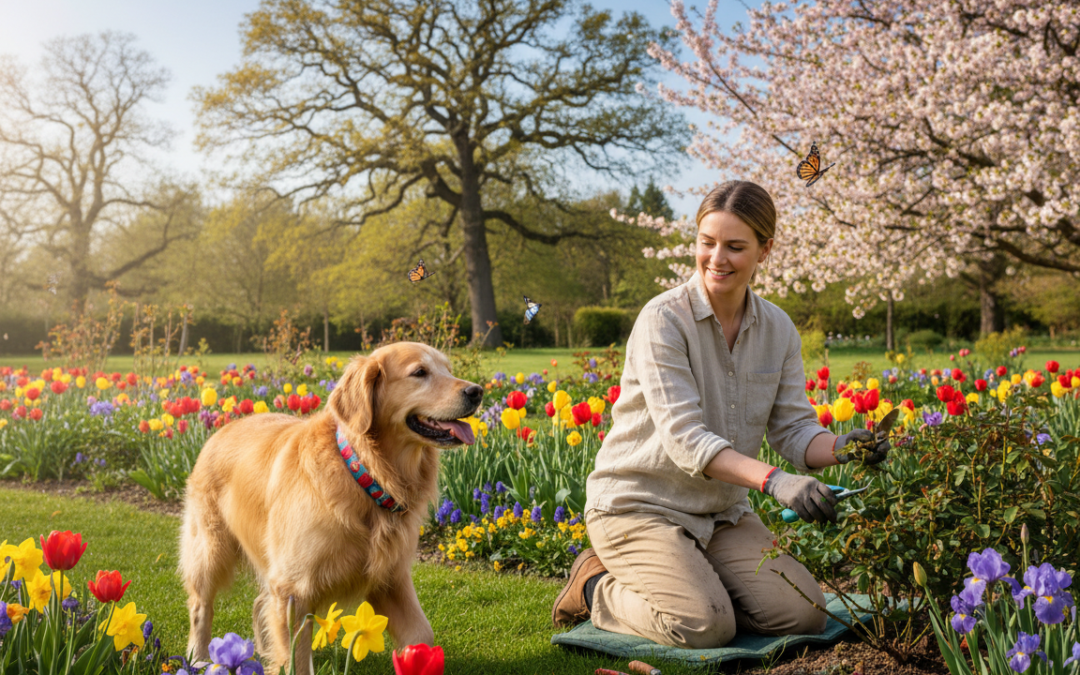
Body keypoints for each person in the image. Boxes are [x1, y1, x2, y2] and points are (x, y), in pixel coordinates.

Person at [551, 180, 890, 649]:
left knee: (804, 615)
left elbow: (793, 428)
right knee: (704, 626)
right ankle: (594, 587)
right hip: (639, 506)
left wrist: (842, 448)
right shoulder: (663, 319)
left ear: (764, 251)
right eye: (706, 243)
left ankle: (692, 579)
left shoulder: (778, 329)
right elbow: (687, 439)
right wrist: (776, 481)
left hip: (721, 513)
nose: (716, 259)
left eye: (735, 246)